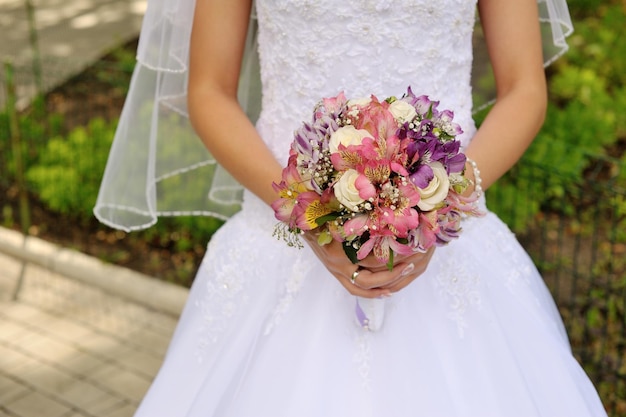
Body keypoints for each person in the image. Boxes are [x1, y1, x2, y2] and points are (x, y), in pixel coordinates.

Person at [95, 0, 608, 416]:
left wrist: (434, 208)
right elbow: (209, 91)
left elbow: (524, 89)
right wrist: (310, 215)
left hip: (448, 253)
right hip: (281, 241)